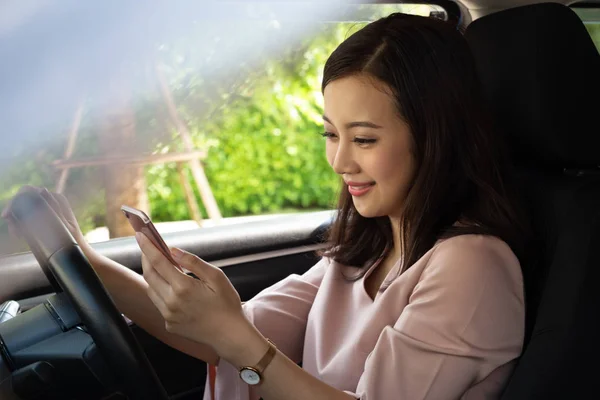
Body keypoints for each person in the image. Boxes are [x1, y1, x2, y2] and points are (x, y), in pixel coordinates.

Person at [4, 13, 530, 400]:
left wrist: (236, 339)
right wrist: (82, 259)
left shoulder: (471, 266)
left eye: (364, 140)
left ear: (435, 139)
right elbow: (218, 341)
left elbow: (239, 343)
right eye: (330, 134)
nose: (340, 161)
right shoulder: (367, 252)